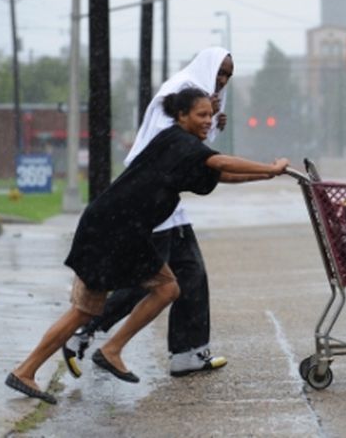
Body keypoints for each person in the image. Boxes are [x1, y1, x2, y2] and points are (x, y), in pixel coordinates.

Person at [6, 87, 289, 405]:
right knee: (159, 291)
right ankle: (101, 353)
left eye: (210, 114)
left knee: (89, 309)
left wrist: (266, 176)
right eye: (201, 115)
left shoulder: (183, 149)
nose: (209, 121)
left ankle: (33, 369)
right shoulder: (177, 141)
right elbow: (220, 160)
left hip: (116, 228)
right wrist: (269, 168)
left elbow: (220, 173)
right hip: (114, 229)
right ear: (181, 116)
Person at [62, 47, 234, 378]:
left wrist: (212, 124)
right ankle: (84, 331)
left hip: (167, 200)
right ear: (207, 67)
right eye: (220, 72)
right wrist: (267, 170)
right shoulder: (179, 90)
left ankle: (188, 352)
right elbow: (168, 143)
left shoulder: (203, 97)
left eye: (227, 76)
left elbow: (193, 148)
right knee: (148, 281)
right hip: (148, 197)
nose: (223, 80)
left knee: (190, 272)